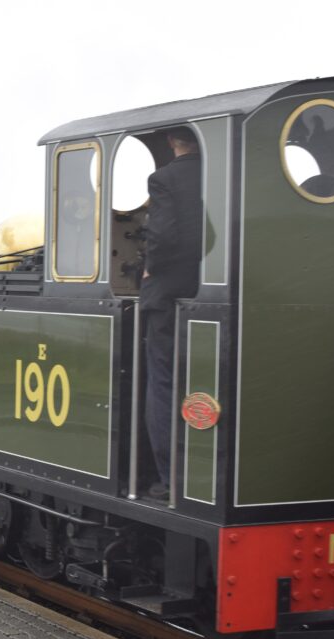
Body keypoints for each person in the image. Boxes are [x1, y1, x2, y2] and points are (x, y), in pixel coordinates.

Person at [140, 127, 203, 501]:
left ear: (170, 142)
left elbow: (162, 236)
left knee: (163, 382)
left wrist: (151, 266)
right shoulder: (226, 179)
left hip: (168, 295)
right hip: (210, 291)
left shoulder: (164, 178)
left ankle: (169, 479)